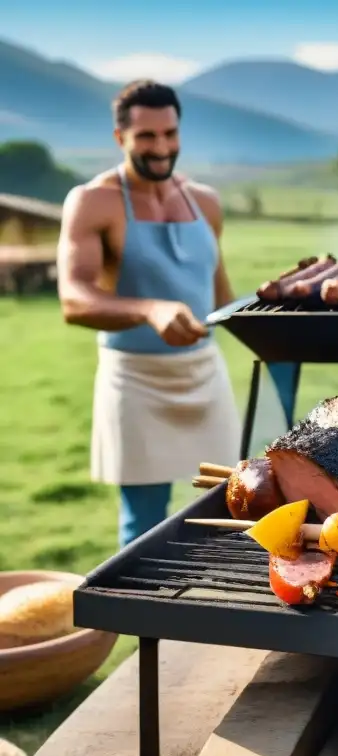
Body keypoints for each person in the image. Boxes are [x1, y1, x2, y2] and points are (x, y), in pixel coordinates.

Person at [57, 80, 241, 549]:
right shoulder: (92, 200)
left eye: (169, 134)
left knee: (233, 506)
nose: (161, 148)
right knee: (143, 524)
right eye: (146, 137)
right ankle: (145, 622)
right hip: (134, 379)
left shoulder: (206, 202)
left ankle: (213, 619)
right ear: (120, 138)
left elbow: (222, 297)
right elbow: (73, 299)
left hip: (204, 372)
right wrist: (148, 309)